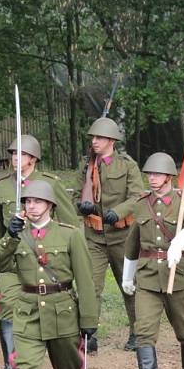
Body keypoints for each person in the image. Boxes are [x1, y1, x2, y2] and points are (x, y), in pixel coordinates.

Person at [0, 180, 97, 369]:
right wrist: (10, 237)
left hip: (62, 313)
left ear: (50, 204)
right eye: (27, 201)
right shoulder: (18, 234)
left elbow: (85, 280)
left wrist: (89, 319)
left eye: (37, 201)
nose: (31, 206)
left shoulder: (69, 235)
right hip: (28, 313)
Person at [0, 135, 78, 369]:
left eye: (21, 154)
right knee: (7, 304)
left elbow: (70, 222)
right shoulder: (2, 186)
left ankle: (52, 350)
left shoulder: (49, 184)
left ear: (33, 159)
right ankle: (11, 365)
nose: (15, 159)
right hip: (13, 258)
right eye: (13, 154)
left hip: (44, 258)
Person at [122, 153, 184, 369]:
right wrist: (128, 274)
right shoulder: (141, 203)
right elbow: (133, 242)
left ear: (169, 176)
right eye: (149, 175)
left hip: (176, 275)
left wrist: (179, 243)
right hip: (147, 276)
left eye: (157, 175)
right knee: (143, 331)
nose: (152, 179)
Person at [74, 117, 144, 353]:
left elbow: (136, 197)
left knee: (129, 285)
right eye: (93, 137)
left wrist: (119, 212)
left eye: (100, 138)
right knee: (91, 286)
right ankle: (89, 334)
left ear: (112, 140)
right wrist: (81, 206)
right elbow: (75, 196)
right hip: (94, 236)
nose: (95, 141)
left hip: (121, 235)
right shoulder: (86, 166)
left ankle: (137, 332)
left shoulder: (126, 165)